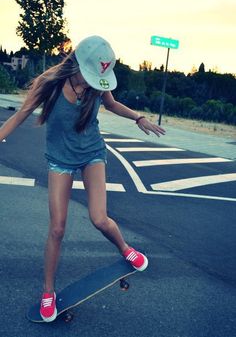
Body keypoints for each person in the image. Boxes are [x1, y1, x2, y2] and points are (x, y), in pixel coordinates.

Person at [0, 35, 165, 322]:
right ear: (76, 63)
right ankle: (48, 291)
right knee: (57, 229)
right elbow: (20, 115)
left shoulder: (97, 86)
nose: (92, 84)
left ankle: (126, 249)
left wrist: (138, 117)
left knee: (99, 218)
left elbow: (112, 105)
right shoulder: (49, 84)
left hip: (92, 154)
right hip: (59, 159)